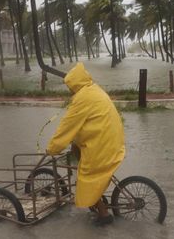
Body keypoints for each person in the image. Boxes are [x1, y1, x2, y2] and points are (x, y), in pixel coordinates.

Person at [46, 62, 125, 226]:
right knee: (76, 147)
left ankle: (103, 215)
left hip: (102, 145)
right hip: (112, 140)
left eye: (70, 86)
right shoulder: (94, 89)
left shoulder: (82, 98)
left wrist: (52, 149)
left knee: (85, 179)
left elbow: (66, 127)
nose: (69, 90)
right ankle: (98, 196)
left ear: (75, 84)